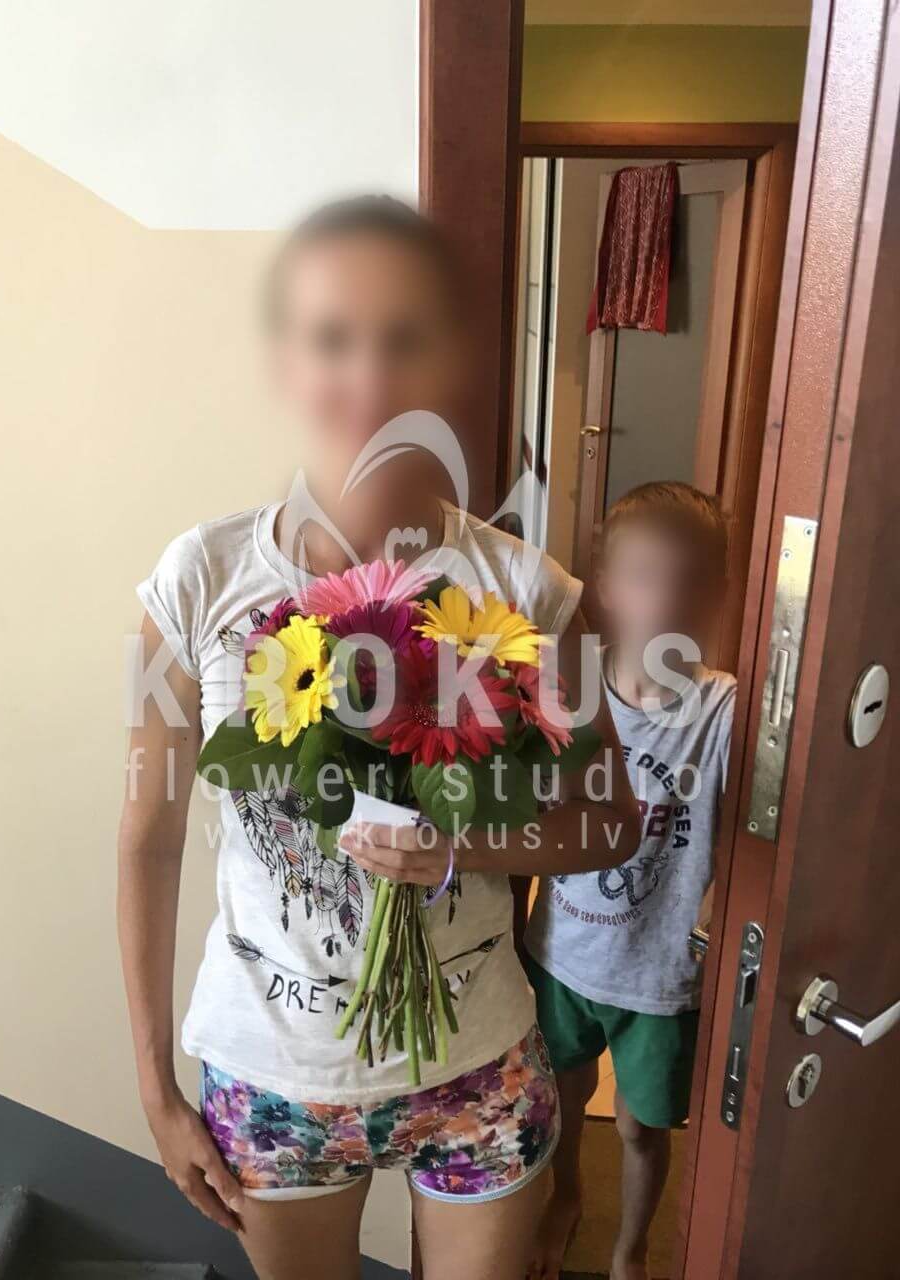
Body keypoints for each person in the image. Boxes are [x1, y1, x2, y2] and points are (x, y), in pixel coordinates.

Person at [117, 195, 640, 1280]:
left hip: (480, 1071)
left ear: (455, 364)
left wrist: (460, 847)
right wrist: (155, 1090)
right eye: (333, 337)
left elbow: (611, 822)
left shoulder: (529, 591)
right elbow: (149, 839)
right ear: (286, 361)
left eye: (407, 338)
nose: (369, 377)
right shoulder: (197, 579)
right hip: (274, 1078)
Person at [524, 481, 736, 1280]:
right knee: (562, 1099)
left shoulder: (725, 713)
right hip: (563, 955)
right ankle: (566, 1198)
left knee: (643, 1128)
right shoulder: (569, 696)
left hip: (660, 976)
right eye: (646, 579)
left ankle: (630, 1250)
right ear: (607, 588)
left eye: (689, 583)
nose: (667, 602)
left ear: (719, 594)